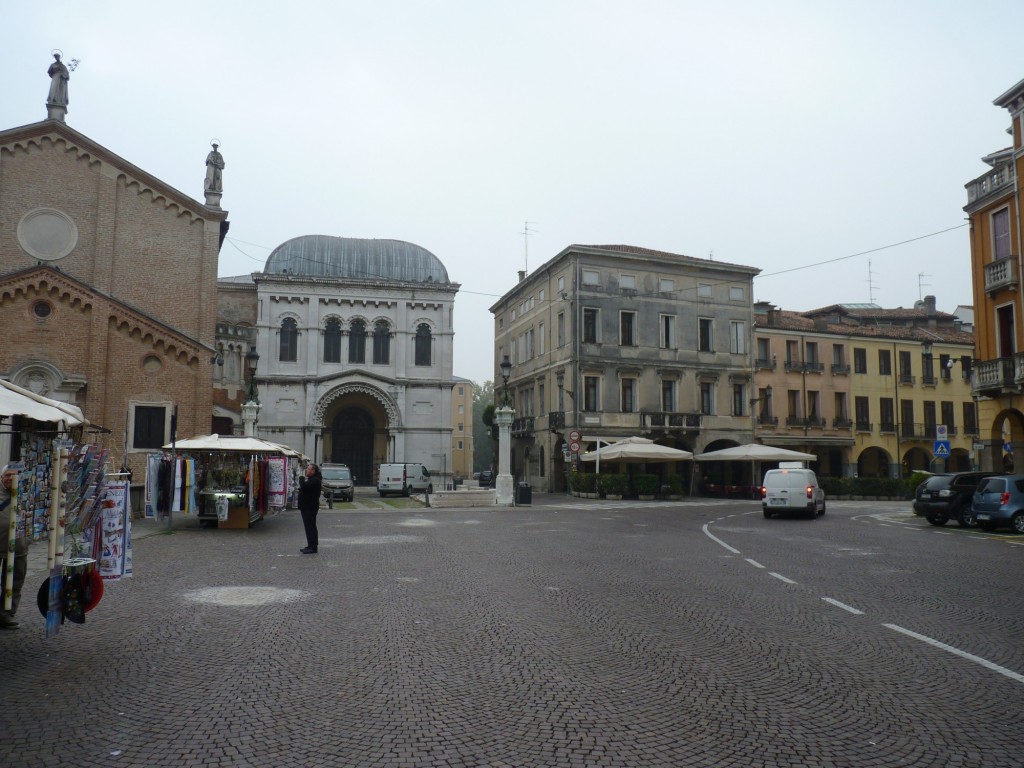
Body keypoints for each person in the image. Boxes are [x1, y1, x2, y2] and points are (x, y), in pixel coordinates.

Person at [0, 466, 29, 630]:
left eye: (15, 476)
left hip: (19, 546)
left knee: (14, 582)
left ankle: (6, 614)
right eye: (8, 475)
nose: (11, 479)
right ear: (2, 477)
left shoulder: (26, 493)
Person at [297, 464, 322, 555]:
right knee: (309, 527)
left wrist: (301, 478)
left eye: (308, 469)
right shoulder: (313, 480)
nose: (306, 471)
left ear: (313, 471)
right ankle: (310, 545)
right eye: (307, 469)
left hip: (309, 507)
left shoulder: (315, 480)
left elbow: (304, 486)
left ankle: (313, 547)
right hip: (307, 507)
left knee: (310, 527)